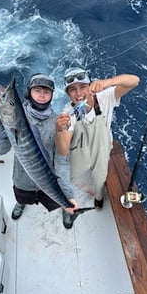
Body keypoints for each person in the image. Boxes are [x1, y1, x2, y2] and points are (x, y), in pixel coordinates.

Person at [55, 67, 140, 227]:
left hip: (102, 149)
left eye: (83, 87)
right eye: (72, 90)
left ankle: (99, 198)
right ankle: (67, 206)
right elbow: (63, 150)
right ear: (67, 94)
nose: (78, 93)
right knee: (68, 179)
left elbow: (134, 81)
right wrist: (59, 130)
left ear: (90, 85)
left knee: (100, 179)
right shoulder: (68, 114)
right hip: (79, 150)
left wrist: (107, 82)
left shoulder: (105, 97)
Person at [0, 73, 78, 229]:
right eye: (37, 90)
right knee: (22, 198)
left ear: (52, 95)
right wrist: (1, 118)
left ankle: (66, 207)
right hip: (22, 181)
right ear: (28, 93)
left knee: (58, 201)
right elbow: (1, 150)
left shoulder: (58, 122)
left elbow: (62, 160)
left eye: (46, 92)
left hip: (50, 182)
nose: (42, 95)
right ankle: (21, 203)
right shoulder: (16, 117)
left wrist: (68, 195)